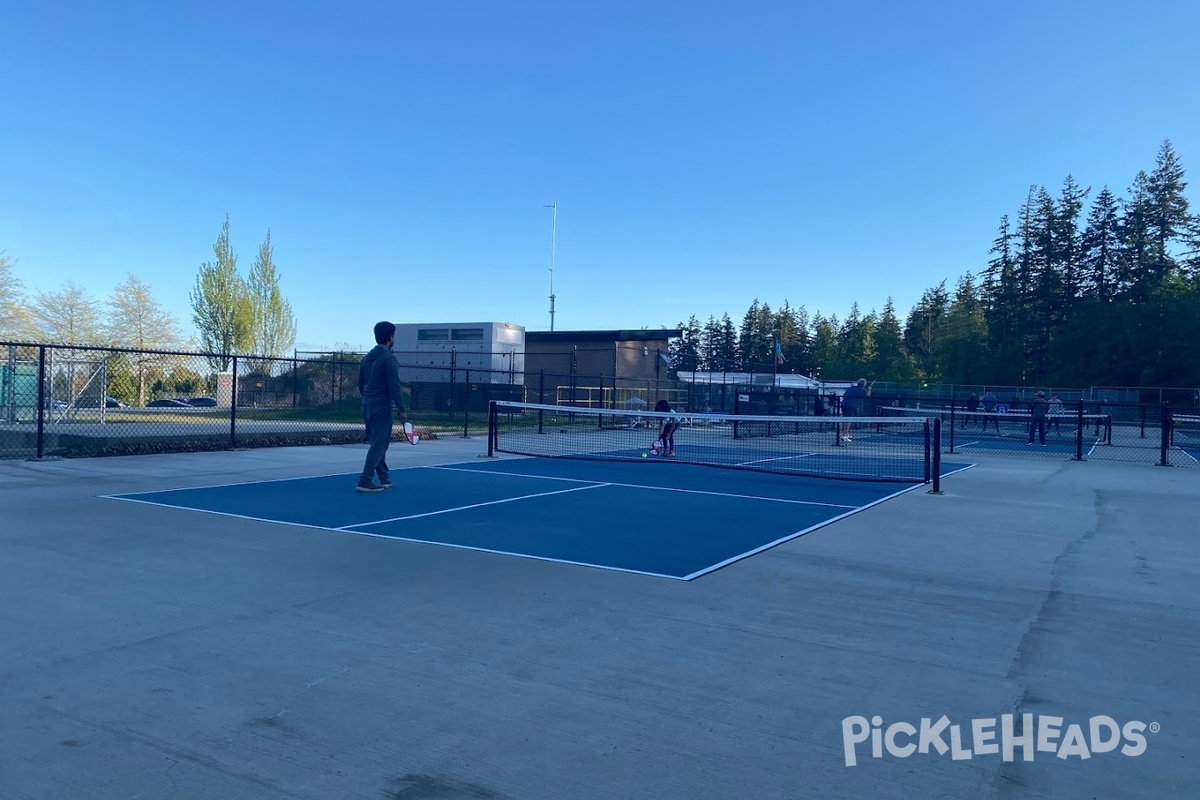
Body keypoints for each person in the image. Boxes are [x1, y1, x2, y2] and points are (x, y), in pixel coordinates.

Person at [356, 321, 408, 492]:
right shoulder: (389, 359)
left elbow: (360, 382)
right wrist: (402, 409)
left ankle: (384, 477)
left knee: (377, 442)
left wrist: (366, 398)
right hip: (381, 405)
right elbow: (394, 386)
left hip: (367, 404)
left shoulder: (367, 358)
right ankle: (365, 480)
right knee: (379, 445)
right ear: (390, 337)